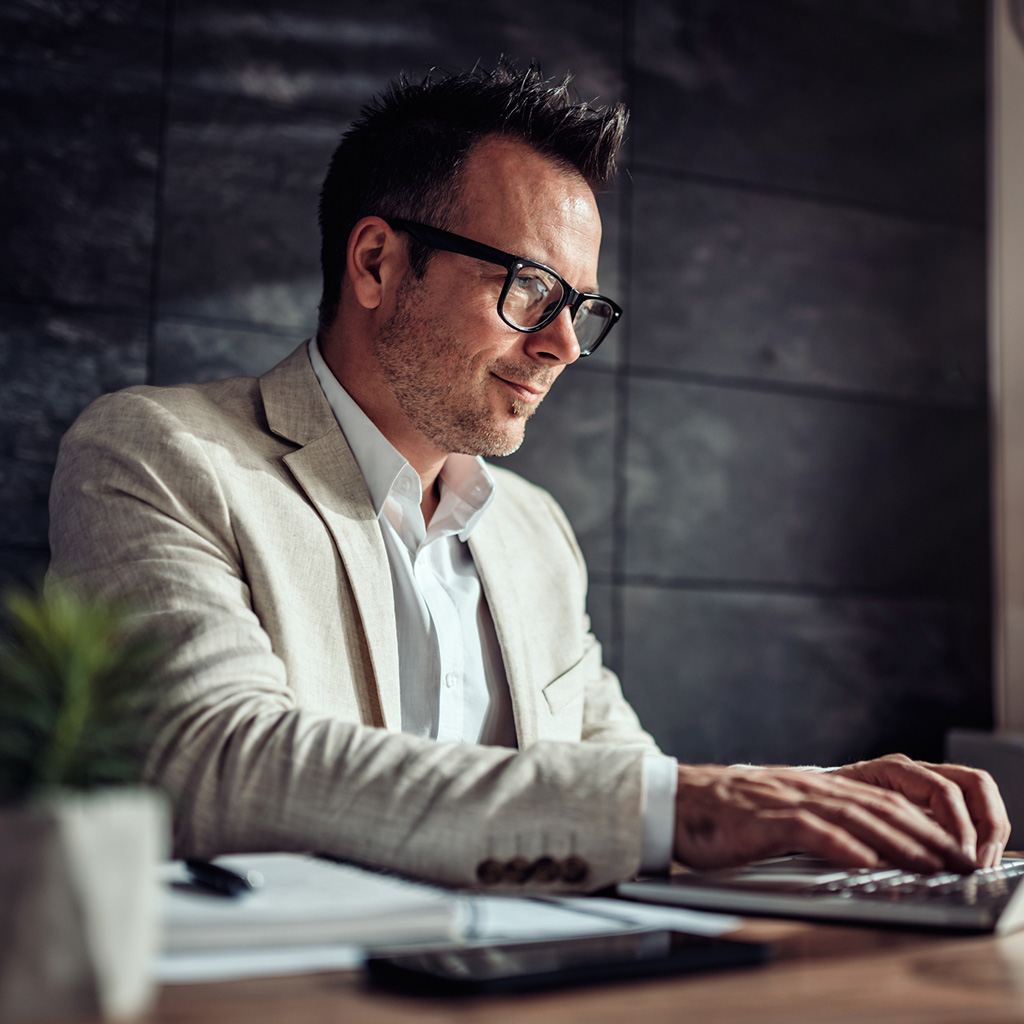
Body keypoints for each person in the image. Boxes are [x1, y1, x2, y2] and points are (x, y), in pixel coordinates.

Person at [47, 60, 1009, 891]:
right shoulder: (158, 453)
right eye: (530, 289)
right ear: (378, 263)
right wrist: (710, 806)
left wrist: (824, 800)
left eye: (580, 305)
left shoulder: (534, 530)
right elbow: (215, 765)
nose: (563, 345)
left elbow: (623, 780)